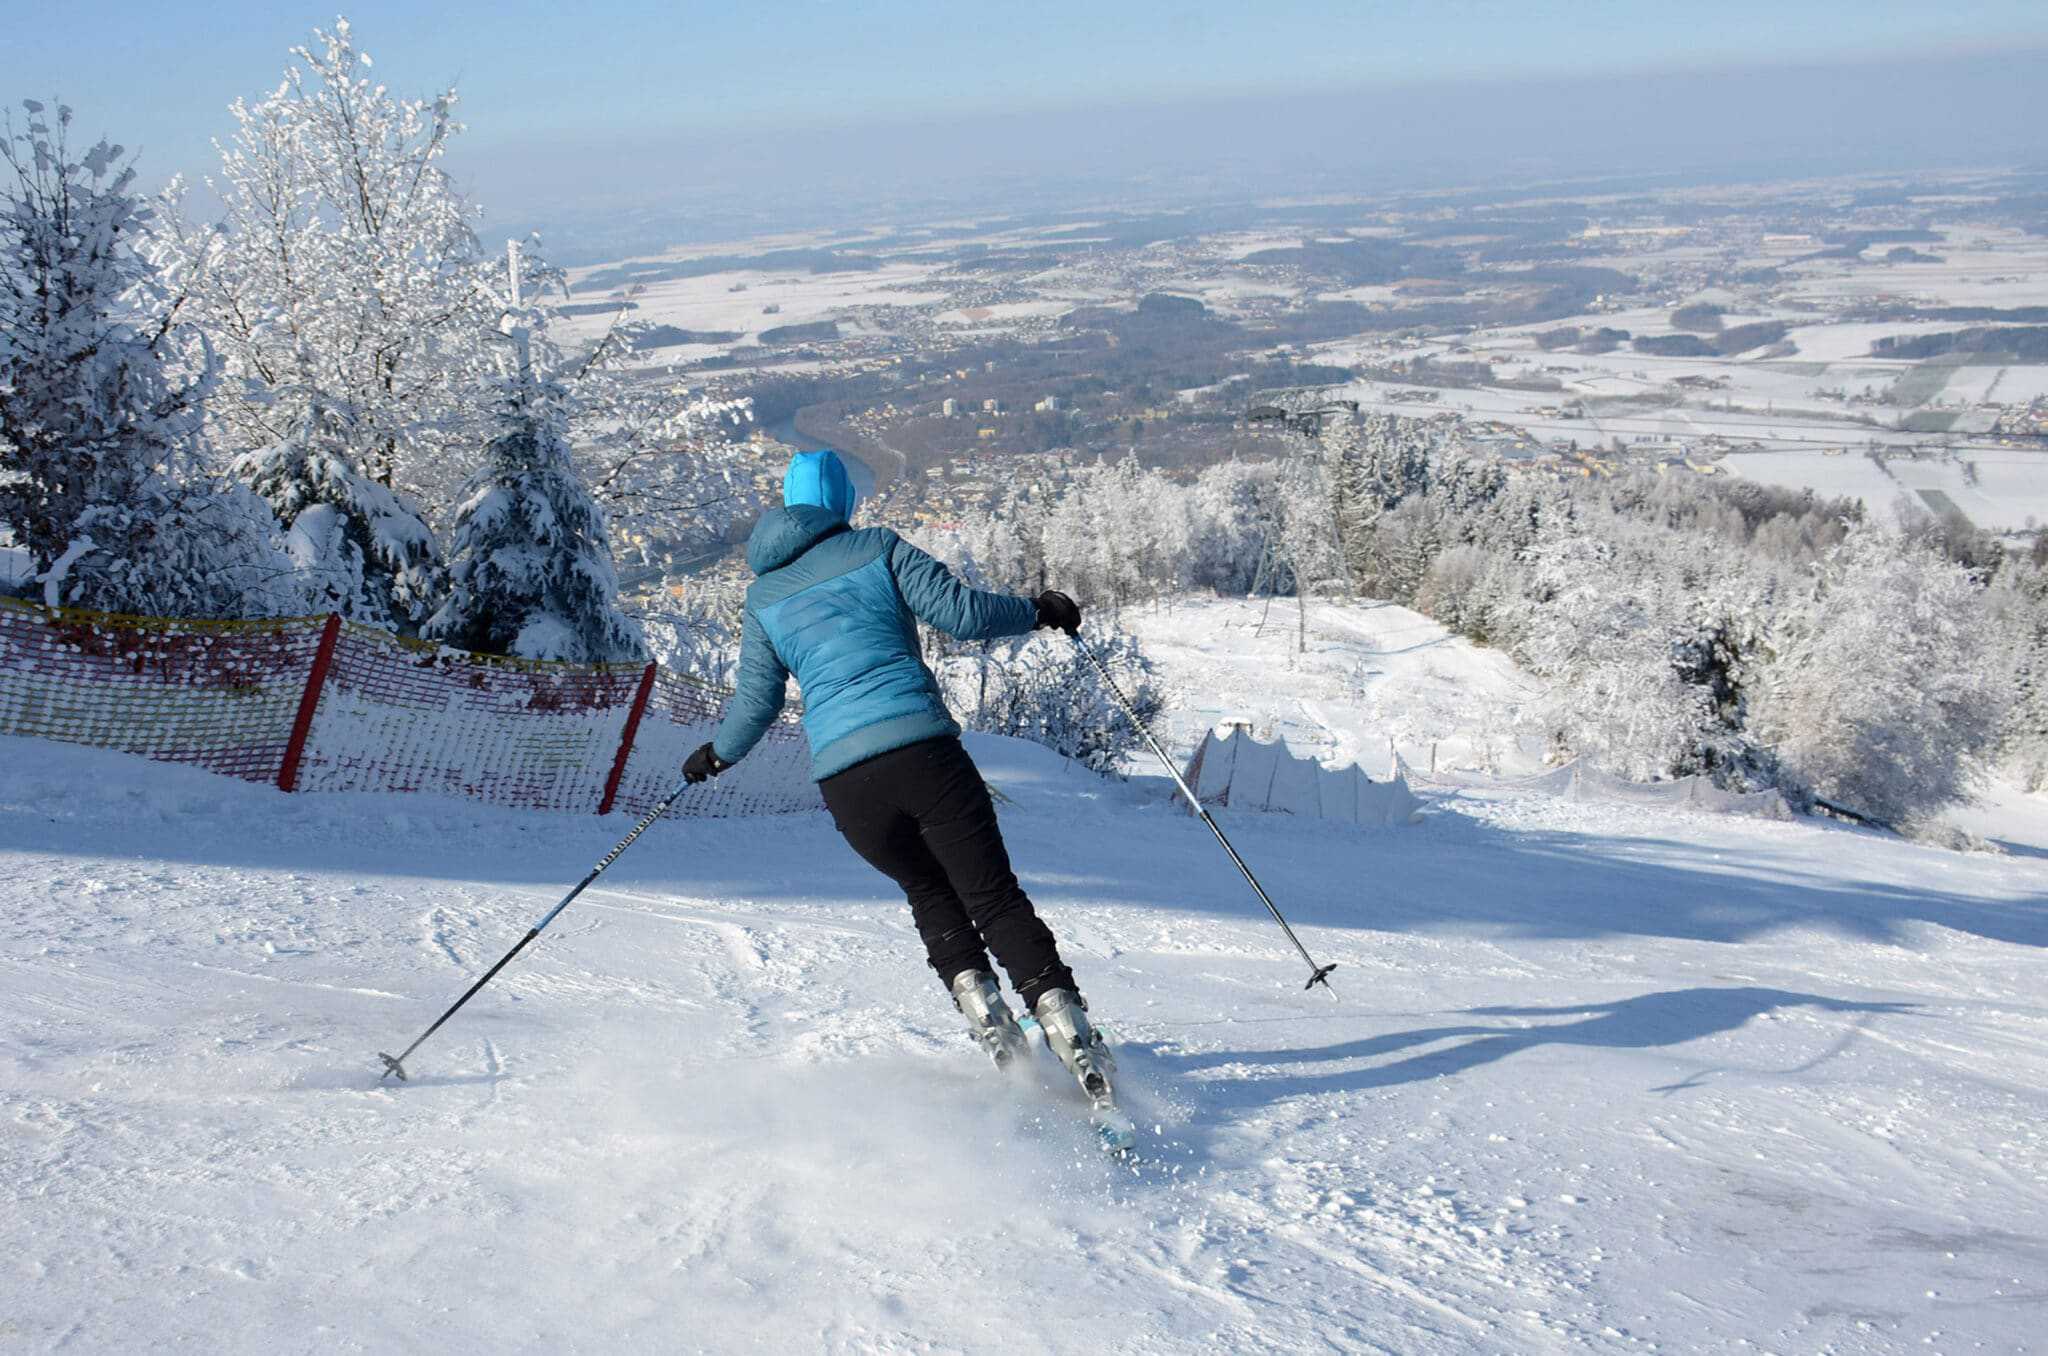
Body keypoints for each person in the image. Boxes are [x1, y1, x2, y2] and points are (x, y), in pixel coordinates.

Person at [682, 449, 1115, 1103]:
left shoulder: (763, 598)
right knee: (992, 898)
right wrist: (1040, 609)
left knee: (930, 895)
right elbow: (964, 616)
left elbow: (757, 703)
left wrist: (717, 754)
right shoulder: (878, 549)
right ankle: (1070, 1034)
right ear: (843, 505)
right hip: (923, 757)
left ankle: (996, 1034)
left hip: (848, 790)